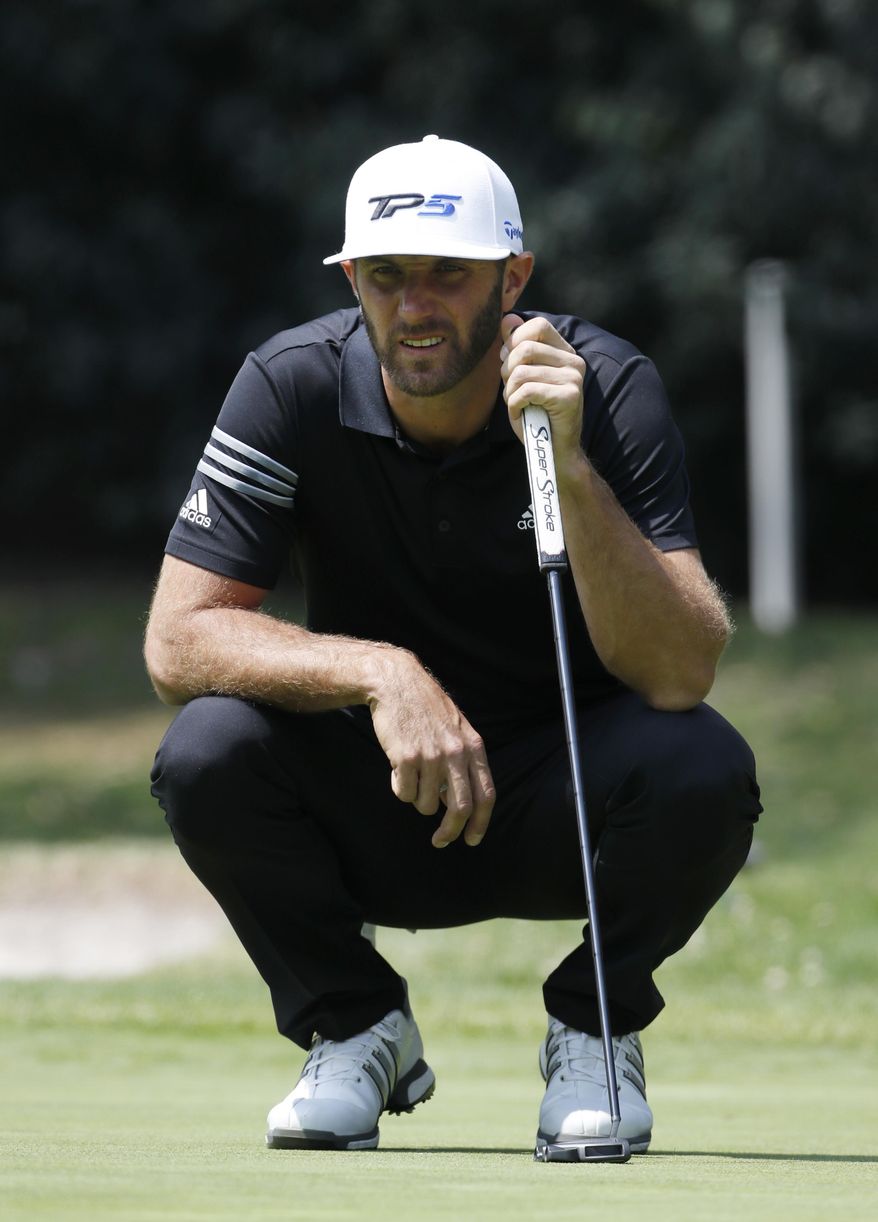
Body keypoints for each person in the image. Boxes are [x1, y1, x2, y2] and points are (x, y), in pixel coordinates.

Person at [145, 134, 762, 1155]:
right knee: (206, 749)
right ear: (352, 279)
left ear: (511, 278)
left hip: (567, 791)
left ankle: (593, 1030)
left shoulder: (603, 384)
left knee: (701, 760)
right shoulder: (289, 384)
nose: (415, 305)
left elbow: (679, 666)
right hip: (386, 795)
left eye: (450, 275)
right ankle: (353, 1025)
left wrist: (564, 460)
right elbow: (177, 640)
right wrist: (381, 671)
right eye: (386, 277)